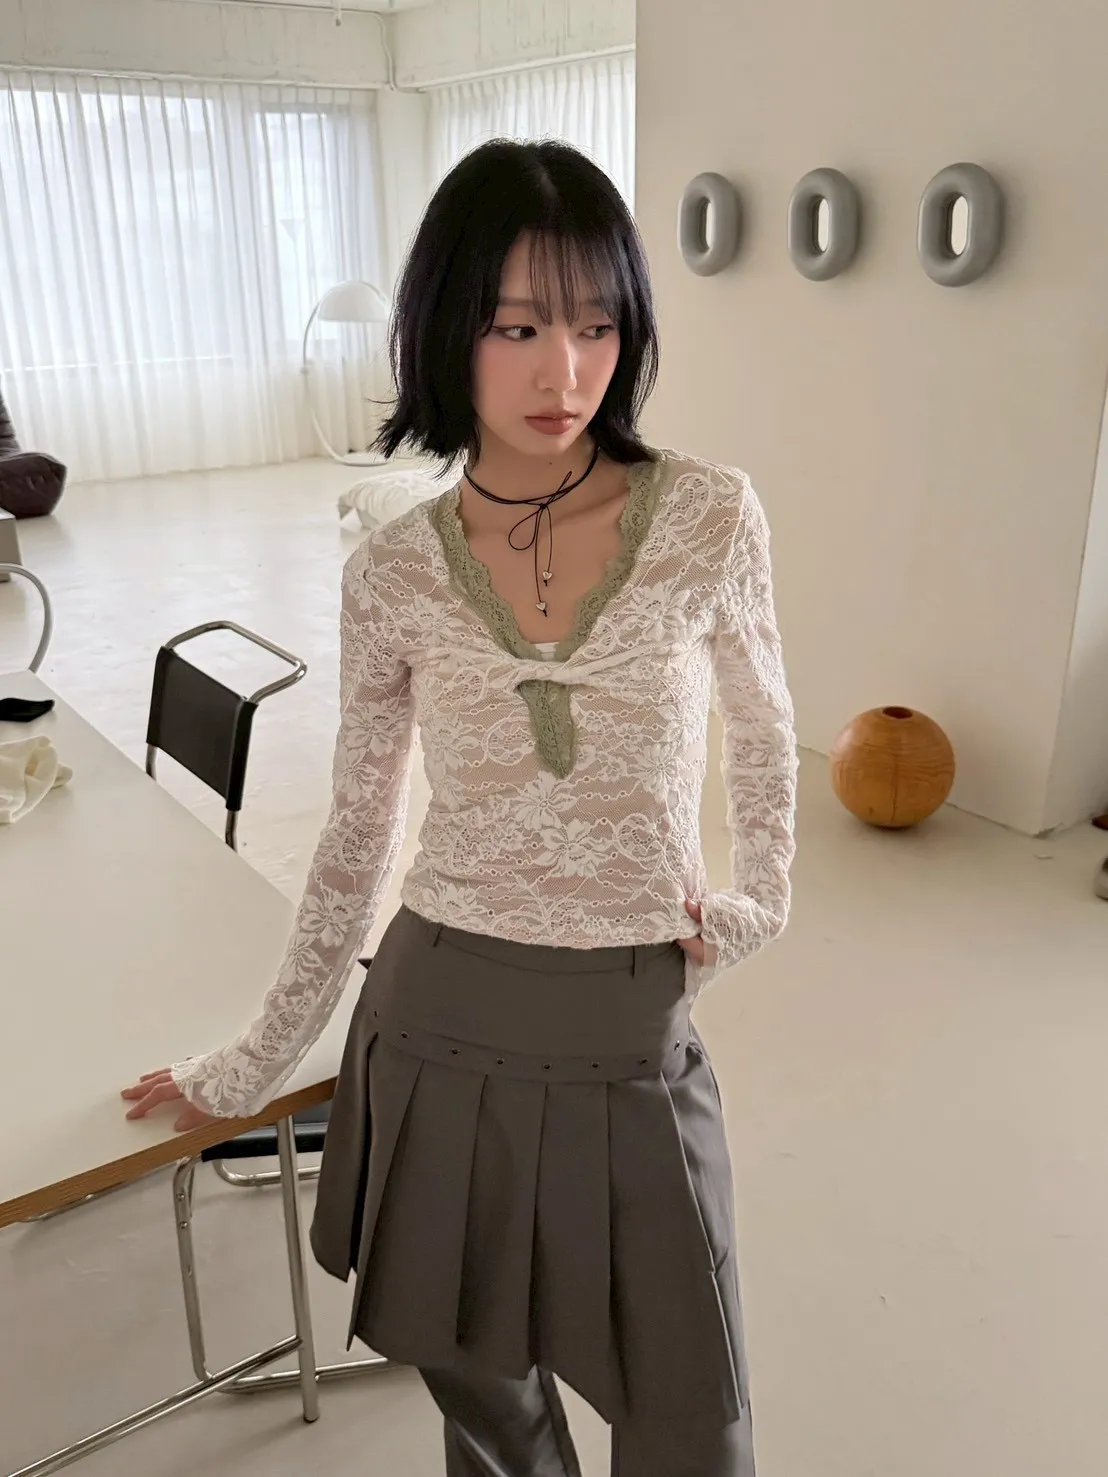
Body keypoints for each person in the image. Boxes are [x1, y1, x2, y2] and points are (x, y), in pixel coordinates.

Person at [121, 138, 798, 1477]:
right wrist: (251, 1065)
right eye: (519, 326)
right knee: (483, 1394)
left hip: (628, 1027)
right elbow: (358, 832)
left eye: (597, 325)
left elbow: (768, 727)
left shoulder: (711, 516)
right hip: (433, 1020)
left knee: (689, 1410)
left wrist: (756, 903)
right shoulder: (393, 571)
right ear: (447, 329)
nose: (566, 373)